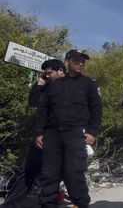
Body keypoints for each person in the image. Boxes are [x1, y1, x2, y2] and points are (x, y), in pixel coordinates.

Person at [36, 49, 102, 208]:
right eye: (76, 60)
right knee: (49, 174)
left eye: (82, 61)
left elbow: (96, 109)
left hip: (75, 133)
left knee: (74, 173)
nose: (80, 63)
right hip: (52, 134)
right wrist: (38, 133)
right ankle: (48, 205)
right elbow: (43, 109)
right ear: (67, 61)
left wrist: (92, 131)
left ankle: (81, 204)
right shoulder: (54, 85)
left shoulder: (89, 84)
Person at [2, 59, 66, 208]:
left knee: (56, 174)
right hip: (42, 136)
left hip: (62, 137)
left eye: (49, 73)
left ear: (61, 71)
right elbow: (33, 102)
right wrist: (40, 84)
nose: (47, 76)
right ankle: (10, 205)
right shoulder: (46, 87)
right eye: (45, 74)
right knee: (27, 170)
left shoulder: (71, 86)